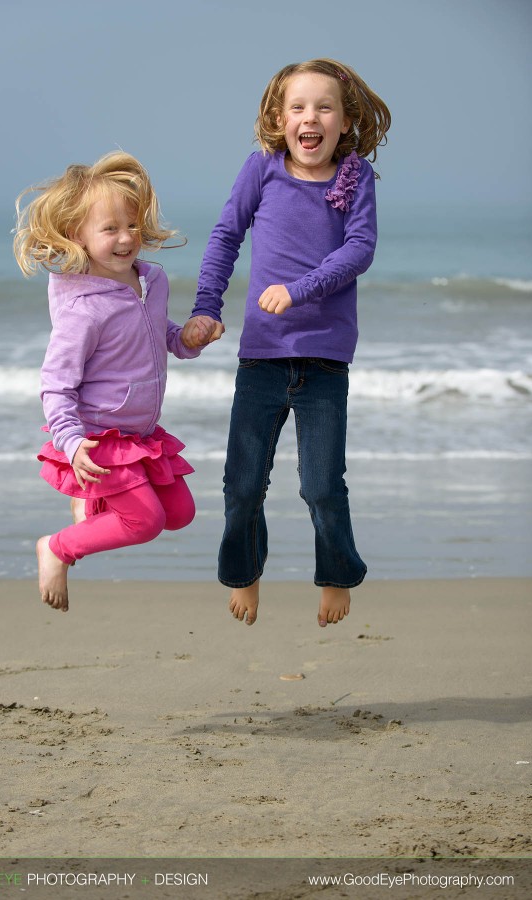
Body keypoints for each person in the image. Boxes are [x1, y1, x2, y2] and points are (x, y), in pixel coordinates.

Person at [182, 58, 391, 628]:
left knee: (321, 485)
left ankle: (337, 575)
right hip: (262, 357)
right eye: (299, 107)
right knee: (243, 482)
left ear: (345, 121)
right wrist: (205, 309)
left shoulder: (356, 179)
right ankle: (245, 571)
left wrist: (299, 291)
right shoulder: (262, 170)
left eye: (324, 107)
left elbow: (359, 250)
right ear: (280, 118)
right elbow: (225, 235)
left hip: (324, 359)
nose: (311, 118)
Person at [14, 152, 221, 612]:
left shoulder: (151, 281)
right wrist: (70, 442)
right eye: (110, 229)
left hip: (141, 434)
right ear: (78, 237)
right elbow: (55, 384)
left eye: (132, 225)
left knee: (179, 514)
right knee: (144, 522)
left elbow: (156, 336)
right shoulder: (82, 309)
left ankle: (92, 508)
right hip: (99, 438)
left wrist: (188, 339)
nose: (127, 238)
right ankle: (57, 547)